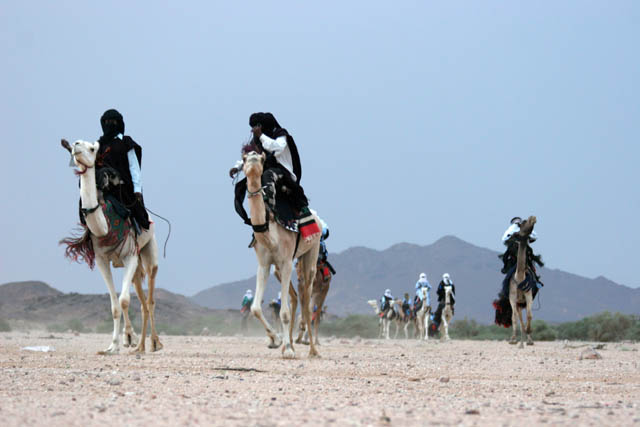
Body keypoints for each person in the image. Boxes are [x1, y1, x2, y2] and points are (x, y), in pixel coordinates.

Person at [230, 112, 320, 240]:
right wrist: (237, 167)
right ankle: (257, 221)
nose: (254, 129)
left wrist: (261, 136)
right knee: (244, 185)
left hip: (283, 172)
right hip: (266, 169)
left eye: (256, 126)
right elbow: (252, 154)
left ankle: (270, 208)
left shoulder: (280, 134)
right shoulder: (257, 139)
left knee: (268, 175)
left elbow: (277, 148)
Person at [79, 109, 150, 231]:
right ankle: (89, 233)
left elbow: (134, 168)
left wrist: (137, 190)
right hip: (103, 186)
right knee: (87, 204)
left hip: (122, 186)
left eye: (112, 122)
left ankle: (137, 231)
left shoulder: (126, 142)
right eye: (106, 122)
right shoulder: (98, 145)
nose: (109, 124)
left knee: (135, 210)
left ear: (119, 123)